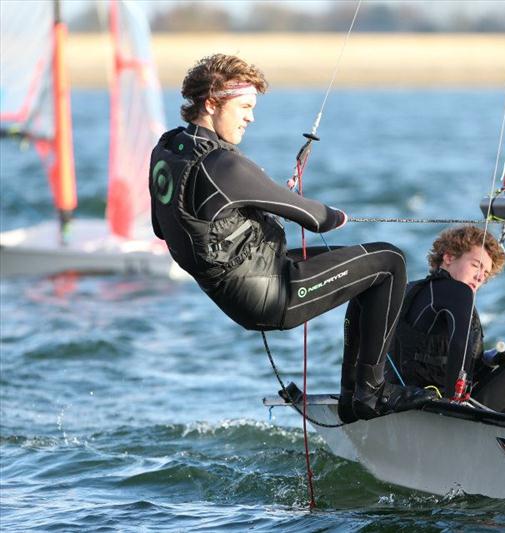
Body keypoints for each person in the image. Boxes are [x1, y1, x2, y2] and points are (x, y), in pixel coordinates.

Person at [149, 54, 434, 421]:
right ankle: (370, 394)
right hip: (270, 294)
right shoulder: (224, 164)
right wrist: (337, 215)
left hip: (240, 286)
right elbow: (315, 218)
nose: (251, 117)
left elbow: (163, 228)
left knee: (364, 270)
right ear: (211, 103)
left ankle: (357, 392)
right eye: (245, 106)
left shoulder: (167, 149)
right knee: (390, 262)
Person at [389, 225, 505, 419]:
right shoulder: (459, 292)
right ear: (448, 258)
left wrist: (486, 361)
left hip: (411, 406)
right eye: (476, 265)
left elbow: (431, 355)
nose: (480, 277)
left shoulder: (411, 290)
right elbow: (459, 347)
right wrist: (454, 402)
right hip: (450, 414)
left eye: (485, 273)